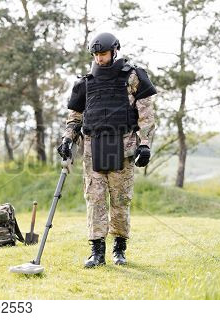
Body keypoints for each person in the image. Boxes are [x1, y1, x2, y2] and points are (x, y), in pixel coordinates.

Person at [57, 32, 156, 268]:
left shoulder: (133, 77)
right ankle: (96, 251)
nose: (99, 59)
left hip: (123, 145)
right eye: (96, 55)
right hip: (93, 147)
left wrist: (145, 144)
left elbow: (146, 114)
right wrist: (67, 140)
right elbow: (75, 117)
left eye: (103, 54)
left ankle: (119, 248)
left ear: (114, 52)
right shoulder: (85, 82)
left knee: (120, 200)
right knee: (95, 199)